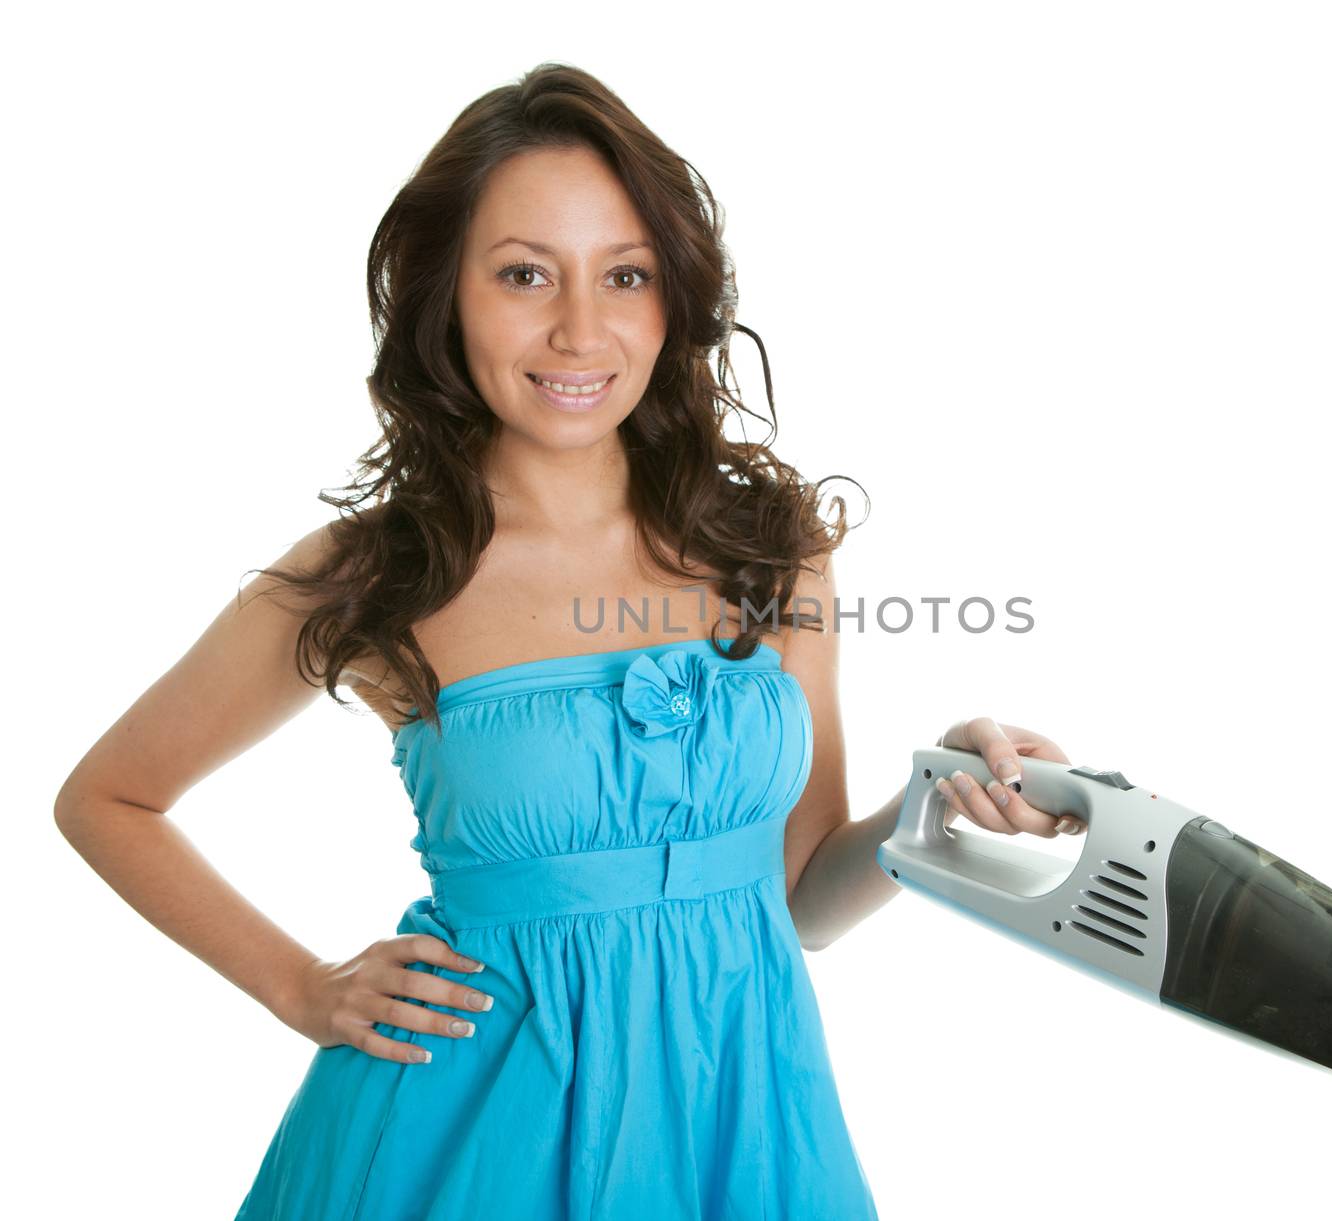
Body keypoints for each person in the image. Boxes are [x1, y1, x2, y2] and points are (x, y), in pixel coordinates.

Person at [53, 63, 1084, 1219]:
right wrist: (300, 987)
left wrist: (931, 803)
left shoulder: (770, 547)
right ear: (448, 295)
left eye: (625, 275)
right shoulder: (370, 575)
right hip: (462, 1144)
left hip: (740, 1131)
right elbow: (108, 797)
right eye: (524, 274)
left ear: (672, 299)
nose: (579, 330)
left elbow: (796, 901)